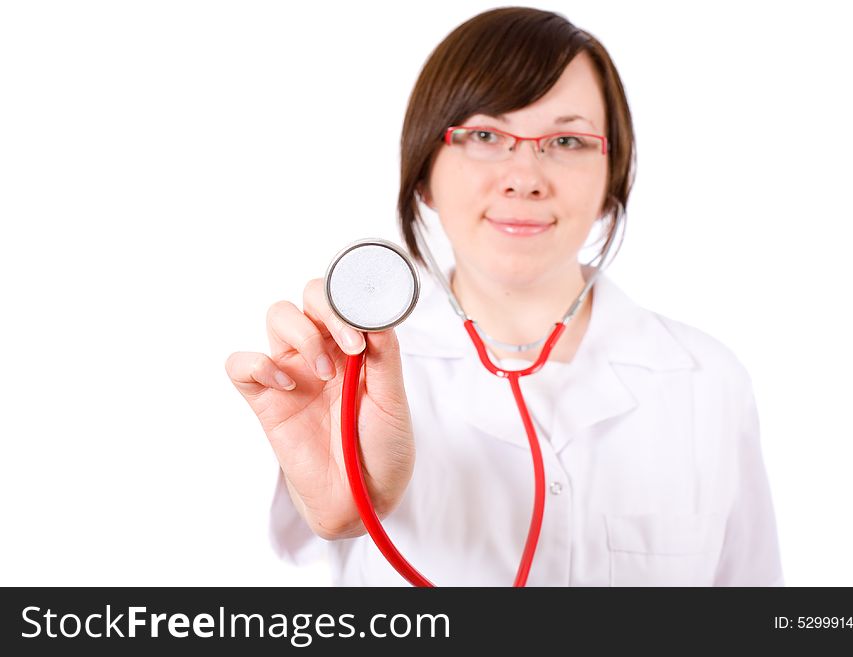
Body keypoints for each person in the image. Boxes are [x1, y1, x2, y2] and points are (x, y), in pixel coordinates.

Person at [225, 7, 784, 586]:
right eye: (486, 135)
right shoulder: (347, 375)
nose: (524, 175)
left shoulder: (708, 382)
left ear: (612, 175)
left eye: (566, 139)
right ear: (424, 173)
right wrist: (346, 502)